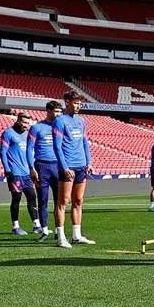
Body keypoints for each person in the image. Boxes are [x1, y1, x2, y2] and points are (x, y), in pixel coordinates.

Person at [53, 91, 94, 248]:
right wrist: (64, 167)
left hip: (81, 166)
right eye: (76, 103)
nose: (79, 106)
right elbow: (57, 146)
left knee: (78, 201)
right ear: (67, 102)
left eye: (80, 103)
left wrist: (88, 162)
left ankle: (76, 235)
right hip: (68, 167)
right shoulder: (60, 121)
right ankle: (61, 237)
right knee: (63, 201)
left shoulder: (81, 121)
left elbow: (84, 143)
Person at [0, 112, 41, 235]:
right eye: (24, 122)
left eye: (28, 123)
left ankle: (36, 225)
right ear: (18, 121)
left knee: (32, 197)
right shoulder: (8, 133)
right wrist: (7, 170)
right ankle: (15, 226)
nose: (26, 125)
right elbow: (2, 152)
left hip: (27, 173)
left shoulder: (28, 134)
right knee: (16, 198)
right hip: (15, 172)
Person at [27, 100, 62, 241]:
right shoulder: (37, 128)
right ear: (48, 111)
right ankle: (45, 231)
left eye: (60, 111)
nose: (59, 114)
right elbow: (29, 149)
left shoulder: (62, 127)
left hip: (58, 166)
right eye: (56, 111)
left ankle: (59, 230)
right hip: (42, 167)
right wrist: (31, 167)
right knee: (43, 200)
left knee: (60, 201)